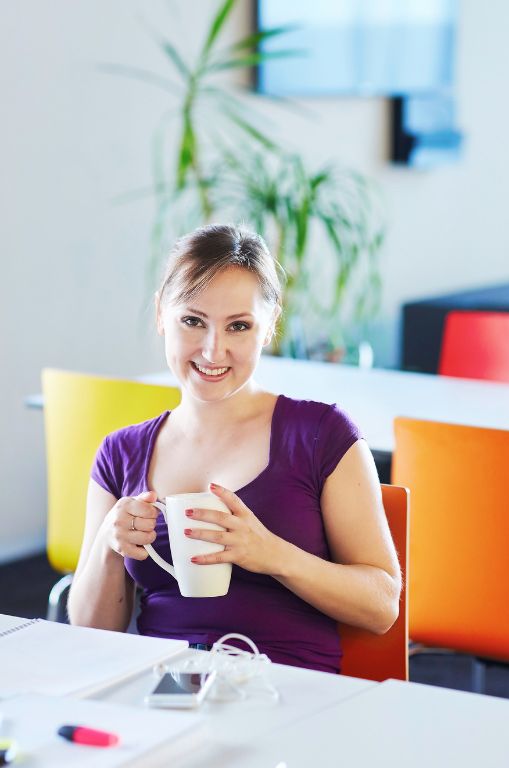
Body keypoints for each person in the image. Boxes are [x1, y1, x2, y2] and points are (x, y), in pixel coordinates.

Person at [68, 224, 401, 673]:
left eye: (239, 326)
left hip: (288, 690)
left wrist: (271, 554)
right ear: (161, 316)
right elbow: (91, 634)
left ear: (268, 328)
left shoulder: (322, 435)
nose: (213, 350)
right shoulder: (120, 453)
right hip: (167, 691)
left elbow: (382, 607)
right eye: (192, 321)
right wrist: (110, 546)